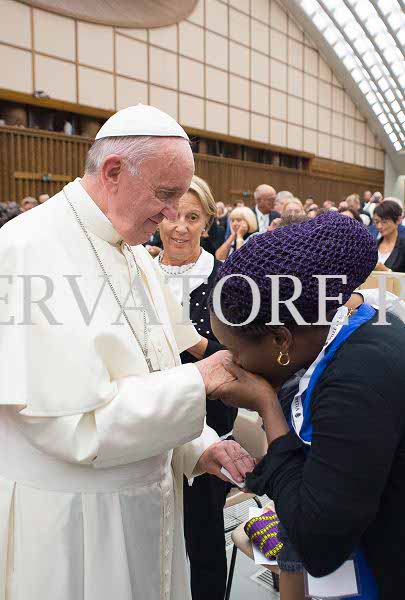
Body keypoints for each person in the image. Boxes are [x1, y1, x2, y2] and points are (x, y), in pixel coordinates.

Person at [0, 104, 255, 600]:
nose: (169, 217)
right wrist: (200, 379)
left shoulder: (134, 252)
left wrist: (199, 446)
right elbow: (71, 425)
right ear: (114, 171)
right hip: (76, 527)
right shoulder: (26, 250)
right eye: (164, 196)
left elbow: (153, 369)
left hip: (148, 509)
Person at [209, 212, 405, 600]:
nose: (230, 361)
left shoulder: (356, 381)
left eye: (234, 350)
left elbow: (317, 543)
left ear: (281, 340)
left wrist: (267, 405)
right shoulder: (356, 321)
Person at [157, 174, 238, 600]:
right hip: (147, 428)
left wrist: (194, 341)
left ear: (208, 222)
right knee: (152, 539)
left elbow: (241, 359)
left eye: (192, 216)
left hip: (206, 430)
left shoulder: (228, 281)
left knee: (204, 542)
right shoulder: (140, 274)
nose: (180, 226)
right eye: (172, 215)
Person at [374, 200, 405, 272]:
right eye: (376, 221)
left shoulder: (403, 246)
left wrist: (386, 271)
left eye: (384, 222)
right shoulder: (372, 245)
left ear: (398, 220)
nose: (379, 226)